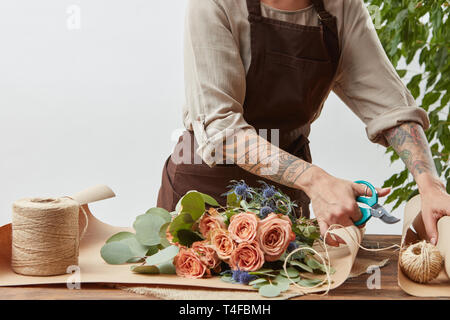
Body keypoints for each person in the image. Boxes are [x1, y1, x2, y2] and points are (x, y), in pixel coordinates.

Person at [157, 0, 450, 246]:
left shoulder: (341, 6)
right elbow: (223, 130)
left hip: (284, 198)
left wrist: (430, 185)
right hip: (204, 193)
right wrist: (317, 181)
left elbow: (392, 107)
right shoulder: (214, 4)